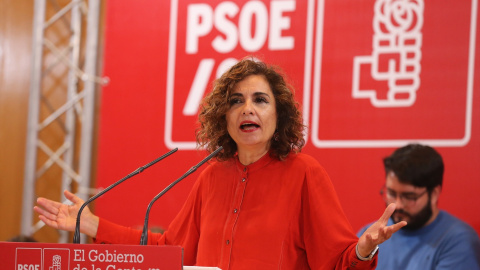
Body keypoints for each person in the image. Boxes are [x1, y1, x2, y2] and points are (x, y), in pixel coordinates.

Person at [35, 57, 406, 270]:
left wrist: (364, 249)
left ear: (279, 115)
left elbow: (337, 260)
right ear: (223, 118)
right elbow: (170, 250)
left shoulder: (304, 173)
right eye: (235, 101)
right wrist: (91, 222)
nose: (247, 108)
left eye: (260, 100)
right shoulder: (212, 175)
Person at [357, 143, 480, 269]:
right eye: (392, 193)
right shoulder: (369, 238)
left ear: (434, 194)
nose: (397, 205)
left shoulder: (458, 241)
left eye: (410, 196)